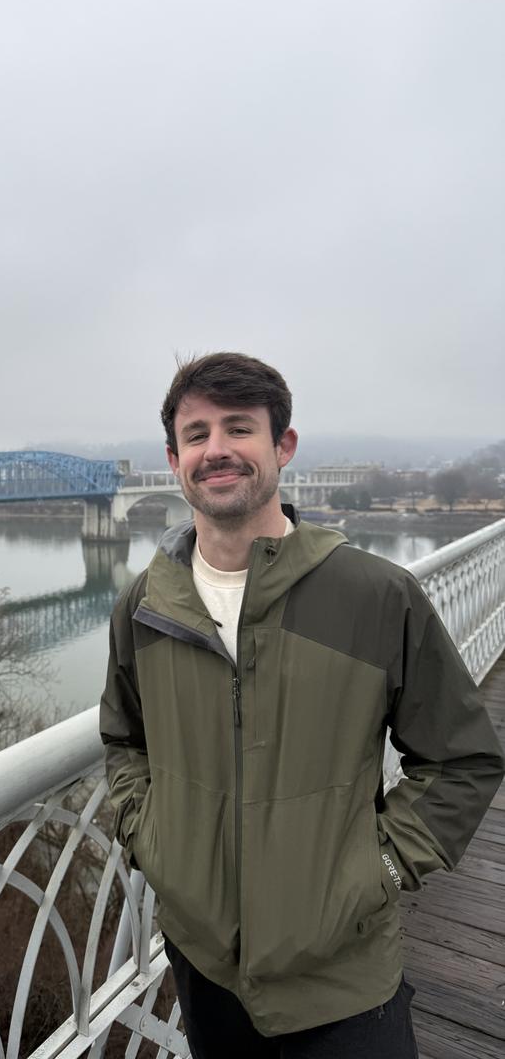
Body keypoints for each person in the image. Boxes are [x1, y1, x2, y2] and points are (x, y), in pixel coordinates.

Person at [99, 352, 504, 1058]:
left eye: (239, 428)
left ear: (282, 447)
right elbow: (125, 742)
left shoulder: (376, 595)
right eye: (197, 435)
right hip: (204, 963)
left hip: (341, 972)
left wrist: (374, 872)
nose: (217, 450)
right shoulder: (143, 604)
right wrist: (151, 840)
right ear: (173, 460)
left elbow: (462, 759)